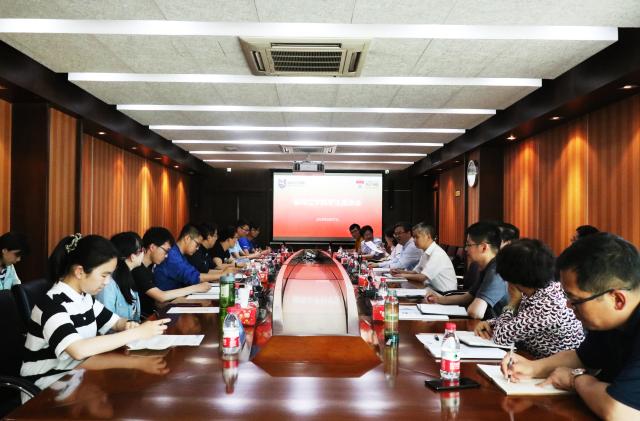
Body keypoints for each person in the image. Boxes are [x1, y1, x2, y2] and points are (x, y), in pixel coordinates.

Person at [501, 233, 640, 419]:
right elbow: (581, 357)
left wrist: (575, 379)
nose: (568, 305)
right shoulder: (610, 322)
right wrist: (533, 368)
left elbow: (619, 411)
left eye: (575, 300)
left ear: (617, 300)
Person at [20, 234, 169, 390]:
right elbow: (78, 350)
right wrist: (136, 333)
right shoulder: (52, 304)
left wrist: (128, 325)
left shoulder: (85, 298)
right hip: (47, 386)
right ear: (80, 272)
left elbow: (116, 322)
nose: (107, 282)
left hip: (77, 374)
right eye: (104, 275)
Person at [474, 239, 585, 358]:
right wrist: (490, 323)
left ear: (513, 276)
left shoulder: (547, 306)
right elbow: (518, 321)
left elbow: (501, 337)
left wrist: (512, 303)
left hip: (557, 367)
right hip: (535, 361)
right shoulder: (546, 289)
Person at [426, 222, 508, 319]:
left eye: (469, 245)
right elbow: (468, 297)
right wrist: (438, 299)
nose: (465, 249)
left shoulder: (496, 271)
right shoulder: (487, 267)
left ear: (483, 247)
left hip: (493, 326)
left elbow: (476, 312)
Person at [132, 227, 211, 318]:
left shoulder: (150, 267)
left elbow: (156, 302)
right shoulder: (138, 270)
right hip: (144, 319)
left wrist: (174, 302)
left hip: (154, 314)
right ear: (152, 247)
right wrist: (196, 288)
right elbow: (161, 296)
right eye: (166, 251)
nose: (166, 256)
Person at [154, 224, 227, 290]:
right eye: (197, 244)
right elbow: (193, 277)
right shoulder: (172, 255)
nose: (197, 248)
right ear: (187, 238)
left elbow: (194, 272)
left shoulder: (180, 254)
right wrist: (221, 275)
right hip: (168, 298)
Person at [392, 223, 457, 293]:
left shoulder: (437, 253)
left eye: (417, 237)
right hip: (431, 290)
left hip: (444, 294)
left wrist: (402, 275)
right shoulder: (425, 252)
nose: (414, 240)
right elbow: (415, 272)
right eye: (413, 237)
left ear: (428, 236)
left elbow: (422, 277)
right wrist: (400, 272)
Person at [96, 232, 143, 322]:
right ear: (133, 256)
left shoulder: (128, 275)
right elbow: (107, 322)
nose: (143, 253)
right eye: (141, 250)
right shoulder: (108, 284)